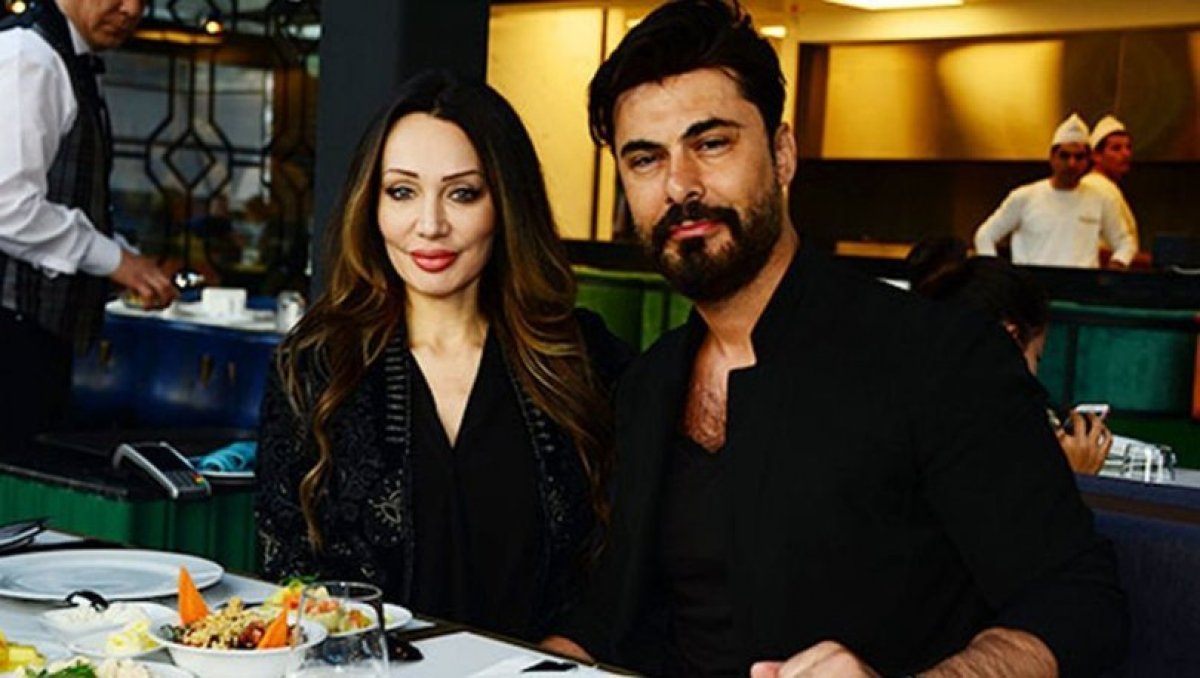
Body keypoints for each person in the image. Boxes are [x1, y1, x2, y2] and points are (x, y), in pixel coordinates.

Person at [546, 2, 1127, 676]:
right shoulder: (648, 385)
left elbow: (1076, 598)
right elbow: (617, 614)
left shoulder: (938, 356)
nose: (681, 186)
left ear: (782, 154)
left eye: (711, 143)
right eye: (646, 159)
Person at [255, 70, 632, 643]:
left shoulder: (582, 359)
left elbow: (629, 556)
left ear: (506, 203)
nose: (429, 225)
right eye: (402, 192)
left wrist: (579, 642)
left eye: (463, 193)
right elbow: (285, 569)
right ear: (370, 203)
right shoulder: (314, 365)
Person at [0, 0, 177, 455]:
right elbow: (7, 206)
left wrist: (122, 259)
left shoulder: (64, 57)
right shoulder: (30, 56)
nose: (132, 8)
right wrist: (115, 261)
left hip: (34, 336)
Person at [908, 246, 1113, 475]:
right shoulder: (976, 442)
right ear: (1011, 339)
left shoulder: (917, 404)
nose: (1035, 374)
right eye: (1037, 358)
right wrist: (1071, 475)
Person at [973, 113, 1136, 269]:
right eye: (1064, 156)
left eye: (1079, 157)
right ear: (1052, 157)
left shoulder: (1100, 199)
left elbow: (1125, 243)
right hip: (1032, 283)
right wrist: (996, 273)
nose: (1071, 164)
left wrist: (1116, 266)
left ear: (1088, 160)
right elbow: (985, 236)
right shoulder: (1024, 197)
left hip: (1081, 284)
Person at [1081, 114, 1139, 252]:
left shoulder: (1108, 187)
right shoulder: (1094, 187)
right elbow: (1094, 247)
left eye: (1128, 147)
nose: (1125, 154)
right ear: (1096, 155)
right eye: (1116, 148)